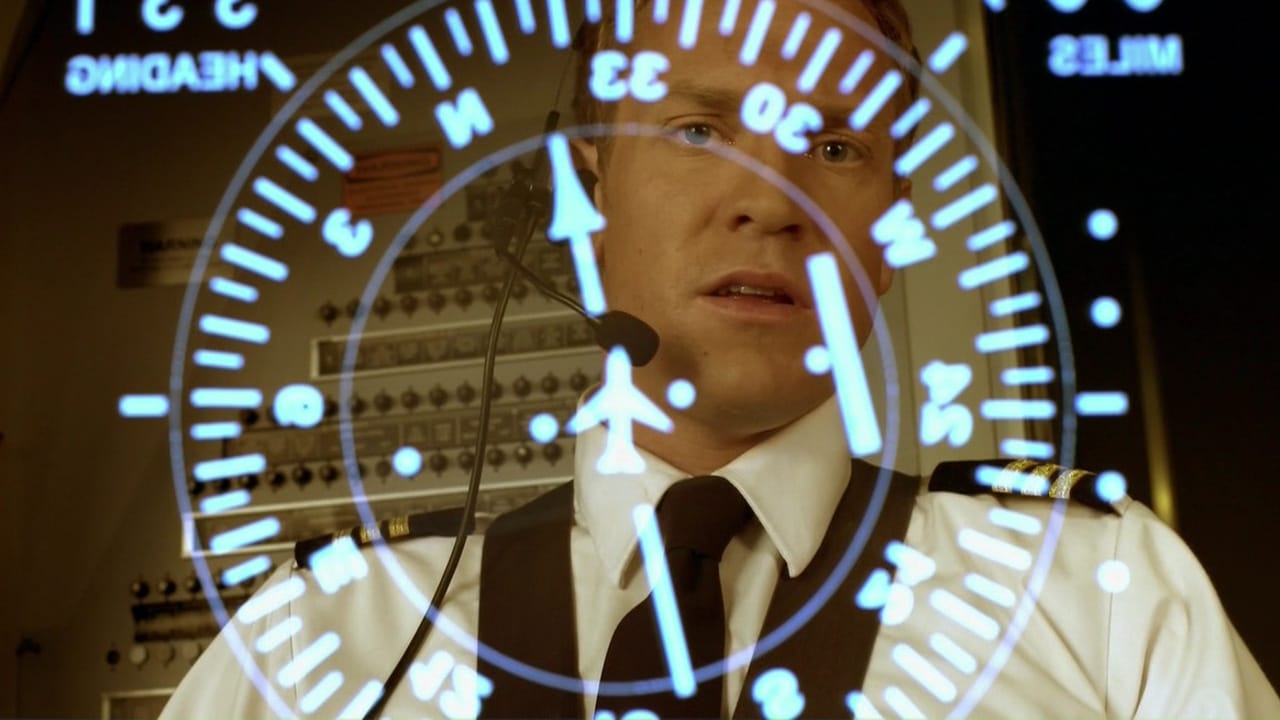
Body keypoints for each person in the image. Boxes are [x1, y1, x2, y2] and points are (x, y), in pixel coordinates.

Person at [161, 0, 1280, 717]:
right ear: (585, 191)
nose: (771, 200)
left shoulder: (1105, 602)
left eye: (833, 145)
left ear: (889, 231)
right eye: (698, 132)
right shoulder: (325, 635)